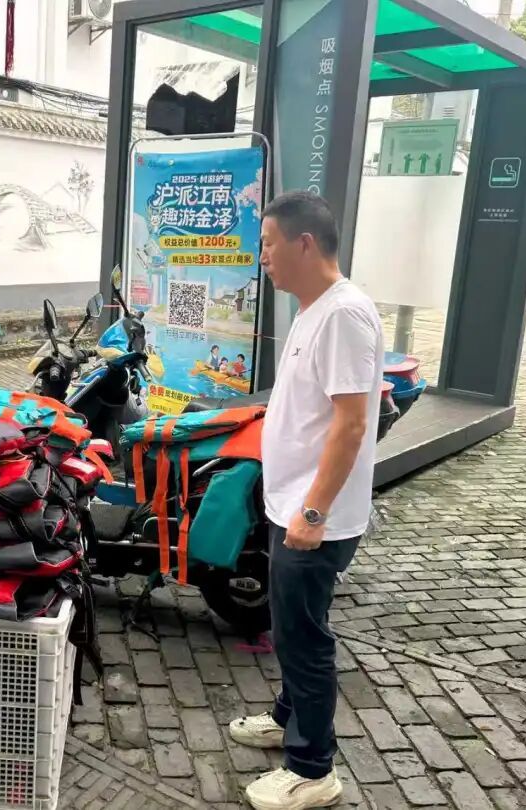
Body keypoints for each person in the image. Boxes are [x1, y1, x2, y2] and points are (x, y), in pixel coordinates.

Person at [229, 191, 383, 810]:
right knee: (289, 628)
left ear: (304, 243)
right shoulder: (313, 308)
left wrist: (314, 512)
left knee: (304, 638)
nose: (262, 255)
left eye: (268, 243)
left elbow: (351, 424)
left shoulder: (344, 314)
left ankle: (312, 769)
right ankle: (286, 718)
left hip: (314, 515)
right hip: (292, 505)